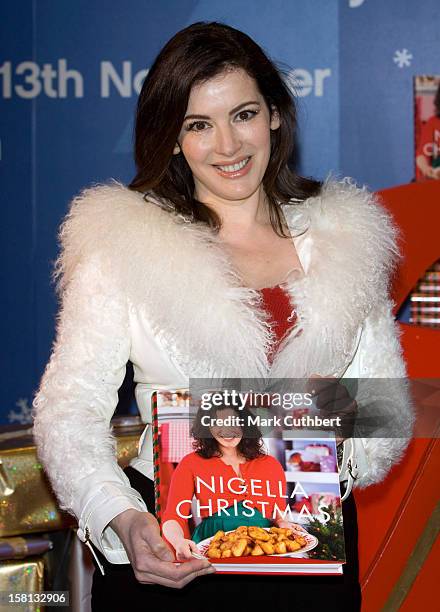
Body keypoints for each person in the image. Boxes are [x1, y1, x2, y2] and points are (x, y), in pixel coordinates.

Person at [32, 21, 413, 611]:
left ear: (274, 115)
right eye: (198, 125)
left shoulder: (345, 240)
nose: (228, 147)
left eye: (243, 114)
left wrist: (342, 411)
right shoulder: (123, 246)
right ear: (173, 138)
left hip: (312, 549)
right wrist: (126, 521)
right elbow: (68, 411)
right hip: (174, 555)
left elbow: (387, 413)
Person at [161, 404, 306, 559]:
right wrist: (178, 541)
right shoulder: (191, 463)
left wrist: (284, 524)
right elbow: (173, 517)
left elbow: (279, 515)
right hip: (212, 543)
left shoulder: (271, 464)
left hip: (265, 546)